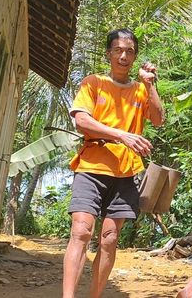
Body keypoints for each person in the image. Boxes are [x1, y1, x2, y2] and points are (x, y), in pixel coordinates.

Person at [62, 28, 165, 298]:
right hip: (91, 167)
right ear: (109, 53)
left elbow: (157, 119)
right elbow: (82, 121)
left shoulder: (142, 89)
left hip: (126, 171)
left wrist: (150, 84)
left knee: (109, 238)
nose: (123, 55)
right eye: (118, 50)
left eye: (129, 51)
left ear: (135, 56)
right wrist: (122, 135)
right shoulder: (93, 82)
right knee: (81, 231)